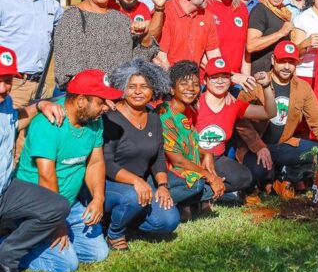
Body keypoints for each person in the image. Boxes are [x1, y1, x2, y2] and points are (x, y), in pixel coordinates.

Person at [0, 47, 69, 272]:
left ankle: (2, 259)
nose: (2, 88)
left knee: (55, 207)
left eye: (7, 81)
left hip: (3, 191)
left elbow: (13, 120)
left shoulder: (3, 101)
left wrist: (40, 105)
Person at [13, 69, 123, 272]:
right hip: (38, 207)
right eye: (101, 102)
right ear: (81, 100)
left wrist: (98, 198)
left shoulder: (94, 121)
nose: (106, 108)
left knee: (98, 253)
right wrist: (56, 222)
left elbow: (95, 162)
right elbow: (46, 176)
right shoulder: (48, 123)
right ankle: (7, 246)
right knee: (65, 265)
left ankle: (45, 241)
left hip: (69, 204)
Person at [237, 42, 318, 196]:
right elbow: (240, 120)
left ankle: (284, 177)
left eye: (291, 62)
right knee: (259, 170)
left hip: (282, 145)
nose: (286, 67)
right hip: (256, 147)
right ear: (273, 60)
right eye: (282, 61)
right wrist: (258, 146)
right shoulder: (256, 83)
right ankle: (260, 185)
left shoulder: (303, 88)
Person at [101, 60, 180, 250]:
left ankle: (126, 219)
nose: (138, 92)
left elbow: (158, 155)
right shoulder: (110, 117)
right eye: (132, 87)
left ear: (154, 89)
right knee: (133, 197)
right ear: (122, 88)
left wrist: (162, 185)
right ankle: (114, 233)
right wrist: (136, 182)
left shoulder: (153, 117)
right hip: (108, 183)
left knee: (169, 221)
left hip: (140, 184)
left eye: (144, 87)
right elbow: (107, 163)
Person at [54, 0, 157, 90]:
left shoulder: (121, 19)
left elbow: (137, 62)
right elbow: (69, 69)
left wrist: (145, 36)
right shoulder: (73, 17)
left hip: (117, 98)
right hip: (87, 99)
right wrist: (101, 96)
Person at [194, 58, 276, 203]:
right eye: (214, 78)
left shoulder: (234, 105)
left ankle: (205, 195)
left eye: (224, 77)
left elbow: (269, 113)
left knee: (245, 178)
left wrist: (266, 86)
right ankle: (195, 196)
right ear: (205, 81)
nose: (220, 81)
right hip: (194, 156)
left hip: (217, 159)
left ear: (230, 80)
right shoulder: (195, 102)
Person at [158, 61, 230, 213]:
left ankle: (191, 202)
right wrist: (210, 177)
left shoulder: (187, 111)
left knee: (217, 182)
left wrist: (207, 153)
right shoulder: (164, 115)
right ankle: (162, 202)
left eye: (195, 84)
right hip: (166, 173)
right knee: (200, 185)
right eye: (184, 84)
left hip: (184, 169)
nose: (190, 88)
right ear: (171, 89)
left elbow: (191, 143)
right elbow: (177, 159)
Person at [208, 0, 257, 89]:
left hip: (236, 83)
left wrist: (246, 79)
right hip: (212, 81)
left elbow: (245, 49)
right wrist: (228, 75)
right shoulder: (205, 7)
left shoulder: (241, 8)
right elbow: (199, 52)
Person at [156, 0, 221, 68]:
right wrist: (178, 82)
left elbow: (214, 54)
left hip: (195, 79)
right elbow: (160, 59)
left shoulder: (207, 16)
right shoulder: (164, 14)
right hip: (170, 78)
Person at [247, 0, 294, 73]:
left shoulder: (285, 13)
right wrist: (281, 33)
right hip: (260, 76)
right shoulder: (260, 10)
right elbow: (251, 45)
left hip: (277, 76)